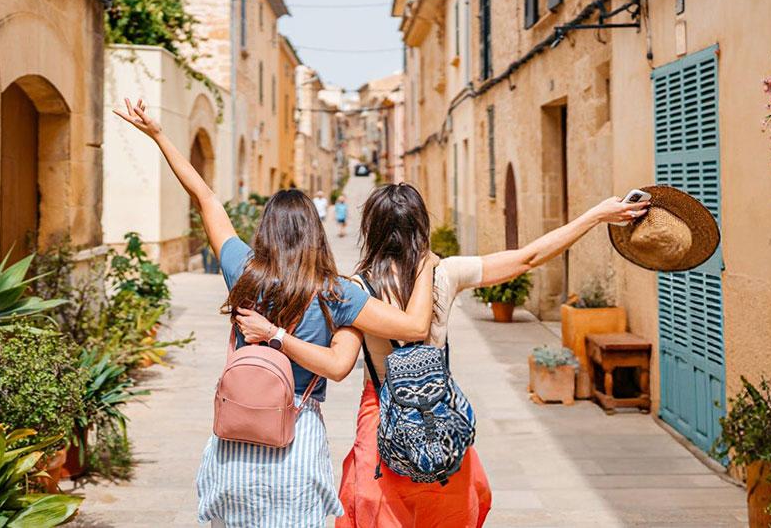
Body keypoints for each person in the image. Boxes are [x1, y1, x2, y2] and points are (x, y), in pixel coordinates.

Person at [237, 182, 648, 528]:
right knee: (446, 506)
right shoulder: (443, 273)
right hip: (438, 412)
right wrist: (594, 216)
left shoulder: (353, 288)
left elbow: (335, 357)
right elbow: (528, 257)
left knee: (377, 507)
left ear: (372, 229)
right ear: (420, 227)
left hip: (380, 411)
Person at [113, 99, 440, 528]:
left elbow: (205, 196)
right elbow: (415, 327)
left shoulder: (242, 270)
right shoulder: (336, 292)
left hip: (236, 439)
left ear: (265, 229)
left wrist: (158, 135)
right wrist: (429, 265)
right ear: (315, 233)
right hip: (296, 442)